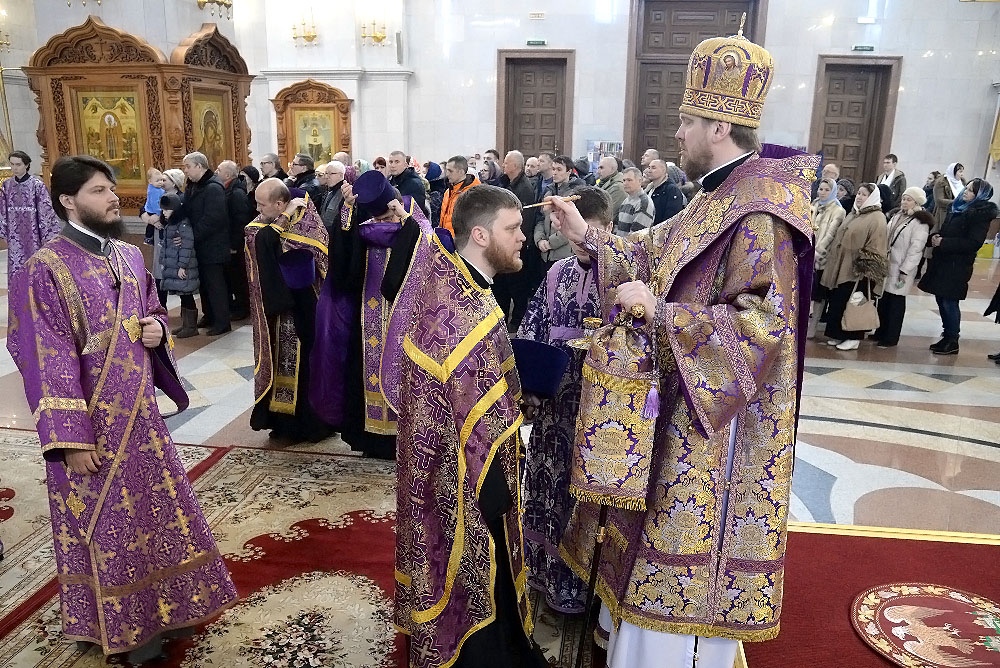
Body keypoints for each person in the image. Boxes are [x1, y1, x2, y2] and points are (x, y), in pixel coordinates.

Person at [548, 26, 816, 668]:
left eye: (686, 122)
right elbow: (651, 253)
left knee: (675, 572)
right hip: (675, 404)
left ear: (719, 127)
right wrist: (587, 237)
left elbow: (763, 327)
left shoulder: (759, 211)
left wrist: (663, 314)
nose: (676, 134)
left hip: (712, 434)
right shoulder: (717, 195)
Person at [7, 155, 237, 664]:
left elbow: (151, 311)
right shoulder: (43, 269)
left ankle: (172, 607)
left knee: (157, 515)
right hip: (93, 429)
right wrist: (70, 440)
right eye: (99, 191)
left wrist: (157, 330)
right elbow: (44, 357)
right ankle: (117, 627)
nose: (113, 197)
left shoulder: (130, 255)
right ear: (68, 201)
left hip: (142, 420)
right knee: (107, 527)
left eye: (111, 188)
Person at [385, 184, 546, 668]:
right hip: (460, 467)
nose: (522, 237)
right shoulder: (457, 306)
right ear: (480, 235)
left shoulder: (466, 286)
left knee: (491, 558)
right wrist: (492, 481)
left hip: (471, 454)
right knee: (475, 559)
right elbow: (464, 401)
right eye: (512, 229)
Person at [516, 187, 611, 615]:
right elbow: (534, 325)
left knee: (584, 496)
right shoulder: (557, 272)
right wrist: (530, 387)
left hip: (601, 410)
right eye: (570, 234)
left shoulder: (625, 277)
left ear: (607, 228)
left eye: (585, 232)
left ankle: (583, 588)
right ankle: (543, 574)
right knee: (547, 485)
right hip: (556, 404)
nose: (577, 242)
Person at [311, 170, 431, 459]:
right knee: (365, 372)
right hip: (366, 319)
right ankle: (372, 439)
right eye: (377, 219)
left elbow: (431, 251)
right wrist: (347, 212)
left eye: (386, 218)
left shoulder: (413, 224)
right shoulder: (363, 231)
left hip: (405, 319)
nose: (381, 223)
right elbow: (343, 265)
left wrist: (405, 221)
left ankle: (405, 436)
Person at [245, 178, 333, 442]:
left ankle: (308, 425)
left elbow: (322, 258)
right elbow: (262, 242)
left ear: (280, 203)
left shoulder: (307, 224)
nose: (257, 210)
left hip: (304, 308)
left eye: (262, 204)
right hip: (274, 309)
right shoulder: (260, 226)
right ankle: (281, 422)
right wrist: (283, 219)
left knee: (305, 363)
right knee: (278, 361)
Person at [918, 178, 997, 356]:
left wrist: (944, 242)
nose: (965, 192)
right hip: (944, 261)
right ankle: (946, 335)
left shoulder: (979, 215)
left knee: (949, 302)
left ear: (979, 195)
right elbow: (948, 231)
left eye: (970, 190)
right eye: (966, 188)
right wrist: (936, 237)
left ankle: (952, 339)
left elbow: (973, 243)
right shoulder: (958, 208)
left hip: (957, 265)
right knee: (941, 299)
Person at [820, 183, 888, 351]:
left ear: (872, 198)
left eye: (864, 194)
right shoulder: (854, 213)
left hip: (858, 271)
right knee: (839, 300)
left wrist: (864, 268)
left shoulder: (877, 218)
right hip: (842, 266)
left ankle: (853, 337)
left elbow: (876, 246)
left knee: (855, 302)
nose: (859, 197)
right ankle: (838, 334)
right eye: (858, 193)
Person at [873, 187, 932, 348]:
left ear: (916, 202)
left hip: (902, 267)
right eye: (904, 198)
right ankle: (880, 331)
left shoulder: (920, 222)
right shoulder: (898, 215)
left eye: (909, 199)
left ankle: (891, 337)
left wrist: (905, 269)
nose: (904, 202)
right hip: (888, 263)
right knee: (884, 300)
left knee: (896, 302)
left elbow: (916, 248)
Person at [0, 151, 62, 303]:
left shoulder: (37, 185)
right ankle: (19, 297)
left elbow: (46, 210)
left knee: (35, 264)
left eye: (18, 164)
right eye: (12, 164)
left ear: (26, 165)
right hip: (15, 237)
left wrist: (47, 235)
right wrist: (4, 230)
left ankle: (39, 297)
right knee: (17, 265)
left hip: (34, 236)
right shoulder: (7, 186)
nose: (14, 168)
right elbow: (2, 211)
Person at [496, 149, 542, 330]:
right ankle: (502, 319)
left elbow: (523, 221)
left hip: (515, 245)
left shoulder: (523, 188)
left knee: (517, 286)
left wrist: (512, 242)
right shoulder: (507, 183)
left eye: (506, 162)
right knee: (502, 285)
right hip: (504, 243)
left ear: (515, 165)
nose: (503, 165)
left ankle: (517, 321)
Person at [808, 176, 846, 338]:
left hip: (821, 258)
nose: (822, 192)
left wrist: (818, 251)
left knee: (818, 295)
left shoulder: (838, 211)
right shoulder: (814, 205)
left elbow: (831, 235)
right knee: (806, 290)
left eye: (827, 190)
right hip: (806, 254)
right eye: (821, 189)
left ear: (833, 192)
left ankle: (813, 326)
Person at [159, 192, 200, 338]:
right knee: (183, 295)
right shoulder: (171, 224)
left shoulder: (182, 224)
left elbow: (187, 246)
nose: (164, 213)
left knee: (187, 295)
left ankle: (191, 327)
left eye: (167, 210)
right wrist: (163, 262)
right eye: (163, 210)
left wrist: (182, 265)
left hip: (184, 266)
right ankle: (186, 324)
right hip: (175, 264)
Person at [534, 155, 585, 267]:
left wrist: (551, 243)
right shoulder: (548, 191)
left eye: (559, 169)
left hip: (564, 254)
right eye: (553, 169)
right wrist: (539, 239)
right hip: (545, 254)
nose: (555, 173)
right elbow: (540, 218)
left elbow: (574, 225)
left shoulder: (575, 193)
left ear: (569, 171)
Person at [440, 155, 480, 234]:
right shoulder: (448, 191)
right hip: (445, 238)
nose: (447, 174)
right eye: (446, 170)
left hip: (461, 239)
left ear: (461, 172)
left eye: (450, 171)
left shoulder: (473, 193)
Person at [614, 166, 656, 236]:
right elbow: (617, 227)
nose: (625, 183)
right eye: (624, 180)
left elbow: (637, 236)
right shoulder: (626, 201)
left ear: (640, 181)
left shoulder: (644, 202)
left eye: (629, 180)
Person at [645, 158, 685, 224]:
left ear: (663, 170)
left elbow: (672, 217)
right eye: (649, 168)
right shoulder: (649, 189)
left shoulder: (672, 190)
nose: (649, 170)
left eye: (653, 168)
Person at [142, 167, 164, 245]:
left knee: (152, 225)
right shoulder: (154, 191)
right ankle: (154, 238)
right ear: (150, 181)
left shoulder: (156, 188)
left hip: (153, 209)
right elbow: (154, 203)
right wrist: (159, 212)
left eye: (162, 180)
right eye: (157, 181)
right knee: (159, 225)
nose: (160, 182)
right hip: (154, 210)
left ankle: (149, 237)